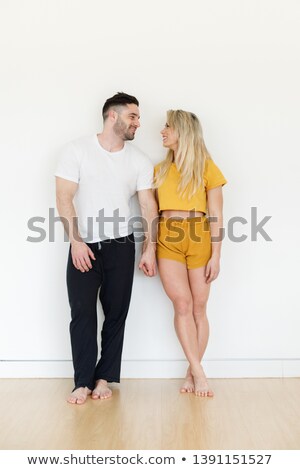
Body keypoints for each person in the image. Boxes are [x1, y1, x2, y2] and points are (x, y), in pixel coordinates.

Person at [55, 92, 158, 405]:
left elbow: (148, 205)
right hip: (83, 243)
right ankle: (82, 382)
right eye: (133, 116)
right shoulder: (76, 150)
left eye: (138, 118)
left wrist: (149, 249)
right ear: (113, 116)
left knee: (116, 314)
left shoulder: (139, 160)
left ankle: (104, 378)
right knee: (82, 312)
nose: (138, 123)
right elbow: (63, 197)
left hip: (121, 244)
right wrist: (76, 241)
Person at [153, 110, 227, 397]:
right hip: (168, 236)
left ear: (182, 131)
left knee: (199, 308)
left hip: (200, 236)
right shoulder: (159, 170)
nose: (163, 131)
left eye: (168, 126)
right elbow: (151, 213)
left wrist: (216, 256)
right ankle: (199, 373)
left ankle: (190, 372)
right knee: (181, 304)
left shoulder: (208, 167)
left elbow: (217, 215)